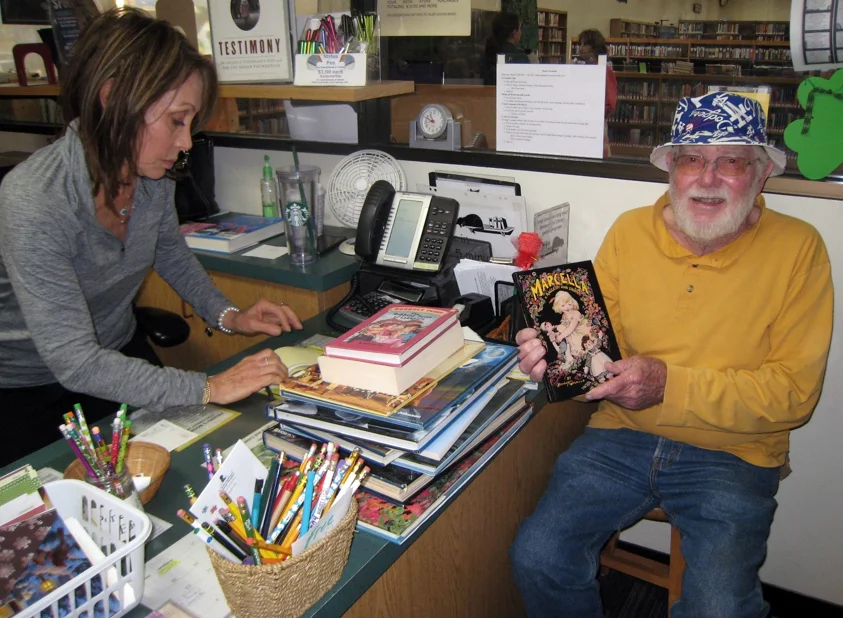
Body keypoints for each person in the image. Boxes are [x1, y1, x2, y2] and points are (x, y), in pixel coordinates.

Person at [509, 92, 833, 618]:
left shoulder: (800, 249)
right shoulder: (631, 230)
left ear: (761, 175)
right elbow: (596, 340)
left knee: (721, 610)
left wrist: (668, 385)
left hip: (734, 454)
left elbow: (793, 394)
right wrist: (552, 351)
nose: (707, 178)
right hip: (622, 435)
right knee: (538, 557)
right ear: (672, 172)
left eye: (730, 161)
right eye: (691, 160)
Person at [0, 8, 302, 465]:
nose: (185, 143)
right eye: (176, 121)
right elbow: (75, 362)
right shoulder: (35, 200)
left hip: (120, 355)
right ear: (112, 98)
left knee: (184, 467)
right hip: (29, 393)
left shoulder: (152, 179)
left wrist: (228, 315)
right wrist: (209, 385)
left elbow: (170, 253)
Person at [577, 28, 618, 156]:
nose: (580, 48)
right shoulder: (581, 69)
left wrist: (595, 112)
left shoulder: (604, 70)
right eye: (580, 44)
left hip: (596, 123)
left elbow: (610, 103)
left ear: (594, 47)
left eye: (584, 44)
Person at [482, 11, 530, 86]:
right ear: (514, 33)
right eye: (520, 29)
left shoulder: (486, 54)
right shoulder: (519, 57)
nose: (521, 32)